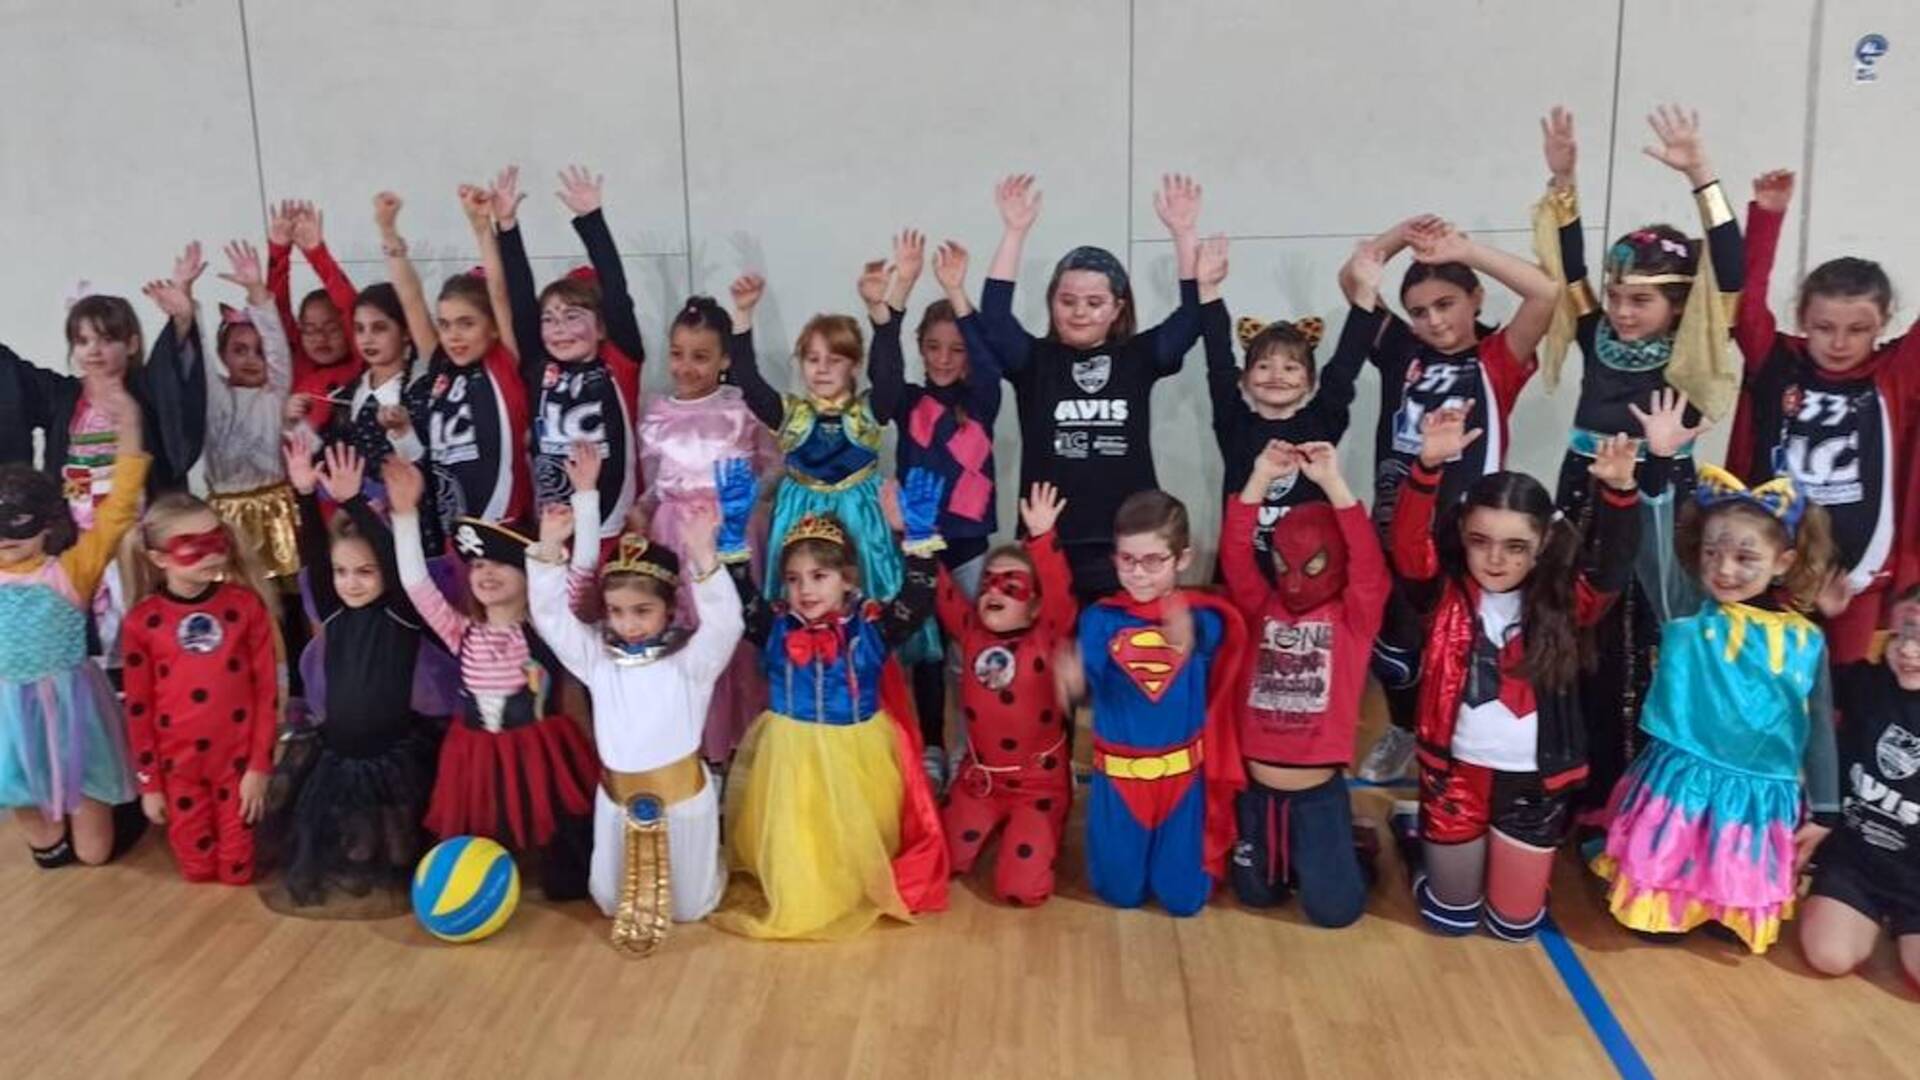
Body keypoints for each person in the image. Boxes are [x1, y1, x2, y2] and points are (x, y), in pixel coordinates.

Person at [1594, 390, 1838, 954]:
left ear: (1784, 561)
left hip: (1761, 794)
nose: (1723, 570)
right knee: (1651, 903)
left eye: (1745, 558)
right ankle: (1663, 900)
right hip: (1683, 778)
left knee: (1733, 879)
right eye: (1712, 553)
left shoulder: (1806, 641)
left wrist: (1825, 807)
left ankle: (1724, 906)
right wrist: (1657, 465)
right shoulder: (1687, 610)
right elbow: (1653, 547)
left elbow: (1820, 726)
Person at [1397, 409, 1640, 942]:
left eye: (1515, 547)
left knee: (1514, 927)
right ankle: (1413, 838)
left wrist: (1621, 493)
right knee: (1451, 919)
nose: (1495, 560)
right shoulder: (1444, 594)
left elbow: (1615, 565)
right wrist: (1427, 469)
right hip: (1454, 774)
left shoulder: (1564, 603)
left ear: (1543, 545)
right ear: (1462, 534)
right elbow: (1409, 549)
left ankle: (1503, 867)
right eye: (1480, 541)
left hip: (1533, 784)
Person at [709, 469, 949, 940]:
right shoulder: (775, 625)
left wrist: (919, 538)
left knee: (854, 831)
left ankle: (848, 883)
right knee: (794, 827)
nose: (806, 590)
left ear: (848, 579)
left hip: (855, 750)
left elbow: (917, 601)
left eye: (820, 576)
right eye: (794, 579)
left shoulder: (872, 628)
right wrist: (733, 534)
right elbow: (740, 596)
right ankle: (799, 886)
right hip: (790, 752)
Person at [526, 446, 744, 952]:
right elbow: (554, 621)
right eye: (618, 611)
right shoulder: (599, 661)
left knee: (689, 906)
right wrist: (547, 551)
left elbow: (726, 624)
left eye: (642, 611)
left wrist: (705, 557)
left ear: (669, 611)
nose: (628, 623)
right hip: (619, 800)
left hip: (682, 801)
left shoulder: (691, 663)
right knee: (609, 896)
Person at [1219, 440, 1388, 928]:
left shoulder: (1352, 618)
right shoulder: (1260, 607)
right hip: (1257, 792)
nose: (1294, 580)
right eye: (1283, 565)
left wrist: (1333, 483)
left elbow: (1368, 563)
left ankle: (1356, 845)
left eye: (1312, 566)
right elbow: (1234, 554)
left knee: (1334, 913)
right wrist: (1259, 477)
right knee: (1255, 896)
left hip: (1318, 796)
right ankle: (1303, 858)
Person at [1056, 490, 1248, 916]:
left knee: (1184, 900)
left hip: (1182, 783)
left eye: (1152, 561)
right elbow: (1089, 684)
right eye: (1127, 560)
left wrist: (1192, 638)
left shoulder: (1203, 617)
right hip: (1118, 782)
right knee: (1118, 894)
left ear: (1181, 558)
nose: (1138, 574)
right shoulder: (1100, 618)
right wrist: (1072, 683)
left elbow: (1225, 666)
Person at [121, 492, 279, 884]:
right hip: (179, 769)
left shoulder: (245, 607)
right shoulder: (142, 623)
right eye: (193, 548)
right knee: (197, 870)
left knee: (237, 871)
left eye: (216, 541)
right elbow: (138, 709)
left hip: (237, 765)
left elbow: (267, 692)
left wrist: (259, 767)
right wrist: (150, 784)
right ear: (159, 559)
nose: (211, 555)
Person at [935, 482, 1076, 906]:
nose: (994, 592)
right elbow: (941, 592)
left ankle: (1037, 830)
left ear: (1033, 605)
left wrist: (1043, 540)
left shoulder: (1046, 636)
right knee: (940, 858)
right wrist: (915, 537)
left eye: (1011, 587)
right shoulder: (971, 631)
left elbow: (1059, 599)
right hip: (979, 781)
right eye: (989, 585)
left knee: (1020, 887)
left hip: (1038, 785)